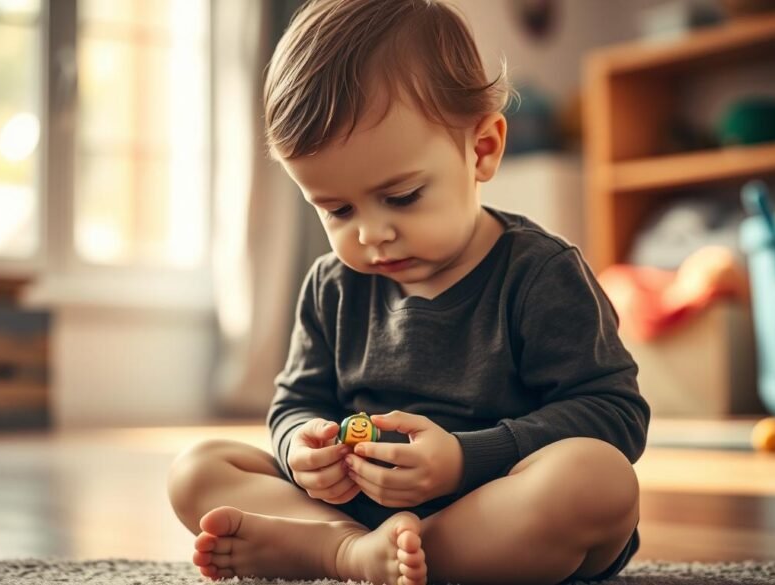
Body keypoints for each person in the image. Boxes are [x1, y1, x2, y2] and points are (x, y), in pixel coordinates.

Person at [167, 1, 650, 583]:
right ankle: (349, 552)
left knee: (599, 481)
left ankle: (366, 558)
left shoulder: (541, 274)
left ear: (482, 149)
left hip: (494, 510)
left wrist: (466, 459)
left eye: (401, 197)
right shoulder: (332, 287)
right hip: (356, 512)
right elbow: (296, 403)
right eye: (337, 209)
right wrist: (302, 448)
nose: (372, 233)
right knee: (196, 470)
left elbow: (614, 414)